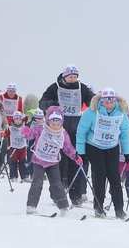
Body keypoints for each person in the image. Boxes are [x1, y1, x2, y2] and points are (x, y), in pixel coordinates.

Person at [39, 65, 96, 206]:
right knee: (58, 162)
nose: (73, 79)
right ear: (64, 76)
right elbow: (42, 102)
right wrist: (51, 105)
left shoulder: (81, 88)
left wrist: (97, 101)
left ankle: (75, 195)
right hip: (57, 129)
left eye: (75, 76)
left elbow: (92, 101)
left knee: (74, 161)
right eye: (70, 76)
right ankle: (57, 194)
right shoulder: (55, 87)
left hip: (76, 129)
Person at [76, 88, 129, 218]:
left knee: (114, 178)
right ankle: (99, 208)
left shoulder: (121, 113)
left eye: (111, 100)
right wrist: (81, 152)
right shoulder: (92, 112)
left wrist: (126, 151)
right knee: (99, 176)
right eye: (105, 100)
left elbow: (124, 134)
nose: (108, 103)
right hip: (94, 146)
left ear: (115, 101)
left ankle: (119, 210)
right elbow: (81, 132)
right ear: (100, 100)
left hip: (112, 147)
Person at [24, 112, 82, 215]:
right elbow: (30, 135)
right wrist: (25, 130)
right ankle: (31, 206)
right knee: (37, 182)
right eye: (53, 123)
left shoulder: (63, 133)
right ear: (48, 122)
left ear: (61, 123)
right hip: (39, 160)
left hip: (53, 162)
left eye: (57, 124)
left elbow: (67, 148)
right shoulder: (41, 129)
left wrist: (75, 157)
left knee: (57, 184)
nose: (55, 126)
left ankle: (63, 207)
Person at [5, 111, 30, 182]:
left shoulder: (24, 127)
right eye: (16, 119)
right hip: (13, 148)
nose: (18, 120)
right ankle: (13, 176)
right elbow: (6, 134)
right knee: (13, 162)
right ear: (13, 119)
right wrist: (3, 133)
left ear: (21, 119)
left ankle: (25, 176)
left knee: (23, 162)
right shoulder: (10, 128)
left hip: (22, 147)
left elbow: (29, 135)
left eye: (19, 119)